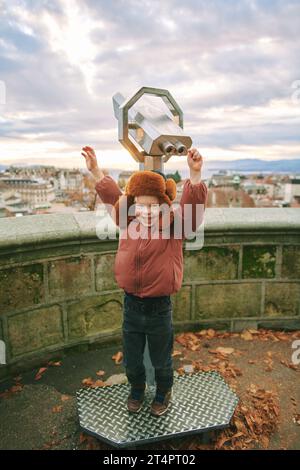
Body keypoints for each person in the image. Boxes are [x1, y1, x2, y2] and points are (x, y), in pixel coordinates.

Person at [81, 145, 208, 416]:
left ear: (164, 205)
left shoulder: (175, 227)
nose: (146, 211)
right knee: (132, 359)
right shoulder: (128, 221)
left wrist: (195, 176)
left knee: (161, 360)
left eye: (153, 206)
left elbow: (193, 213)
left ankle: (163, 393)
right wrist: (95, 170)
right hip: (131, 306)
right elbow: (112, 195)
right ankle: (136, 389)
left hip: (159, 308)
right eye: (140, 205)